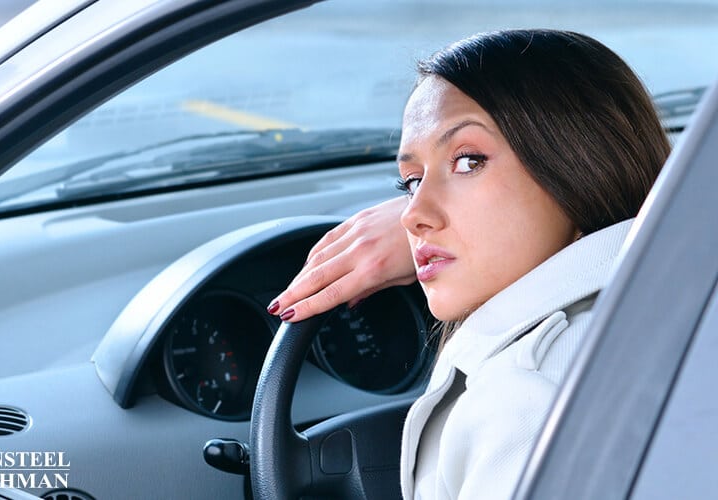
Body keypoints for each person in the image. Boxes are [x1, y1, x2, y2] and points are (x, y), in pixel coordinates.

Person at [266, 29, 670, 499]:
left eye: (468, 161)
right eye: (411, 182)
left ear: (580, 165)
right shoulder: (672, 306)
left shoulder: (525, 399)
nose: (412, 217)